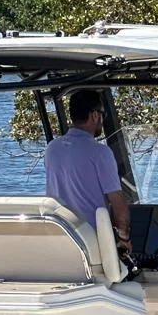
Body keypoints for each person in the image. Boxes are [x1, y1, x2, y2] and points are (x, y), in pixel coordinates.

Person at [44, 87, 132, 264]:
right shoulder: (100, 153)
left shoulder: (52, 148)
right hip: (92, 247)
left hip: (61, 240)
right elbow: (118, 203)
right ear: (94, 115)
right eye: (103, 115)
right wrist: (124, 239)